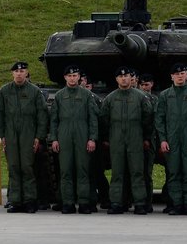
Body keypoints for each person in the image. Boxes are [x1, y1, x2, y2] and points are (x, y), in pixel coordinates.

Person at [0, 61, 48, 213]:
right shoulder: (5, 92)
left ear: (26, 73)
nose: (19, 73)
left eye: (22, 71)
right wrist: (1, 135)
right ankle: (16, 201)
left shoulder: (34, 92)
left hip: (28, 134)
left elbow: (42, 115)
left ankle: (30, 201)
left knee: (27, 167)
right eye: (16, 71)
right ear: (12, 73)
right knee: (13, 167)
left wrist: (39, 136)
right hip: (10, 135)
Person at [100, 66, 154, 214]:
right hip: (116, 138)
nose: (124, 79)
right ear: (117, 79)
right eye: (121, 77)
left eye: (127, 76)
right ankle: (117, 202)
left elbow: (148, 118)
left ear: (131, 78)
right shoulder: (110, 98)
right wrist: (105, 138)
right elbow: (104, 119)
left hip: (135, 138)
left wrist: (146, 138)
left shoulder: (140, 97)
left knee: (137, 171)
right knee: (117, 172)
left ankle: (140, 203)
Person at [155, 63, 187, 216]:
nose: (180, 76)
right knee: (173, 173)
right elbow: (160, 120)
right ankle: (176, 204)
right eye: (177, 74)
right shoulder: (164, 96)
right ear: (172, 76)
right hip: (171, 141)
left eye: (183, 73)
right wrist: (162, 140)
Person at [49, 64, 99, 214]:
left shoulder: (86, 95)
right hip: (64, 136)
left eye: (75, 75)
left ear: (79, 77)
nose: (72, 78)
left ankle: (84, 202)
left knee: (83, 170)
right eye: (69, 76)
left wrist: (92, 138)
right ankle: (68, 203)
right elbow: (54, 120)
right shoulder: (59, 96)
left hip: (82, 135)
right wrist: (54, 139)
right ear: (65, 77)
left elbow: (93, 119)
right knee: (65, 171)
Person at [80, 74, 111, 211]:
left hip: (94, 140)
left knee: (96, 171)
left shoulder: (94, 99)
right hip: (76, 139)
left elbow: (102, 119)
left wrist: (102, 138)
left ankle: (104, 198)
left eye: (84, 81)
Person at [138, 72, 158, 209]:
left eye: (147, 84)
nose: (145, 87)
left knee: (146, 172)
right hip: (134, 138)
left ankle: (147, 202)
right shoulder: (135, 97)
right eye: (142, 84)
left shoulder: (157, 99)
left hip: (151, 139)